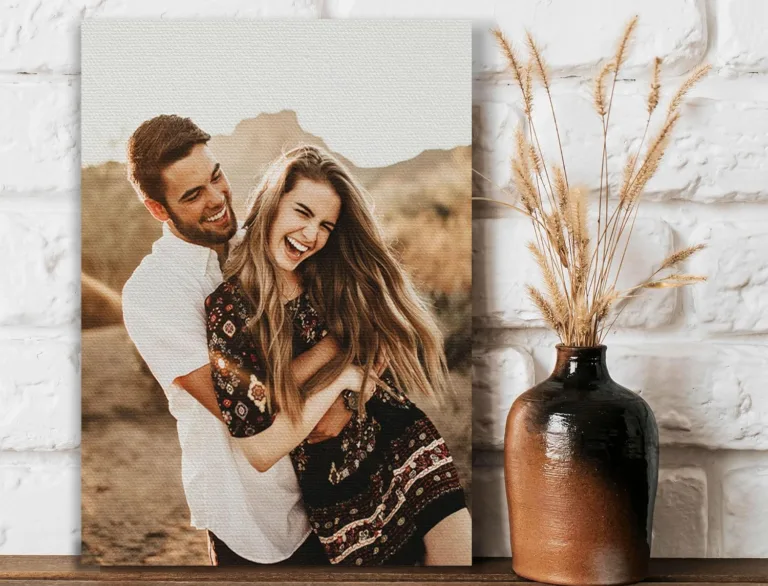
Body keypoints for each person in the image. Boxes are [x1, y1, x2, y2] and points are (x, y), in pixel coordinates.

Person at [205, 144, 472, 566]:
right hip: (334, 485)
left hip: (402, 442)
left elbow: (374, 344)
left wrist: (342, 378)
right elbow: (262, 444)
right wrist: (344, 377)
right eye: (302, 212)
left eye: (326, 225)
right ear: (273, 203)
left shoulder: (330, 277)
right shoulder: (229, 310)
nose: (312, 235)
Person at [121, 115, 367, 566]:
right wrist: (336, 352)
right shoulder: (153, 291)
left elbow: (369, 317)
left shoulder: (264, 240)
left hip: (331, 489)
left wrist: (350, 399)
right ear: (159, 209)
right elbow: (243, 406)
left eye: (216, 177)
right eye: (193, 195)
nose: (216, 200)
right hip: (249, 516)